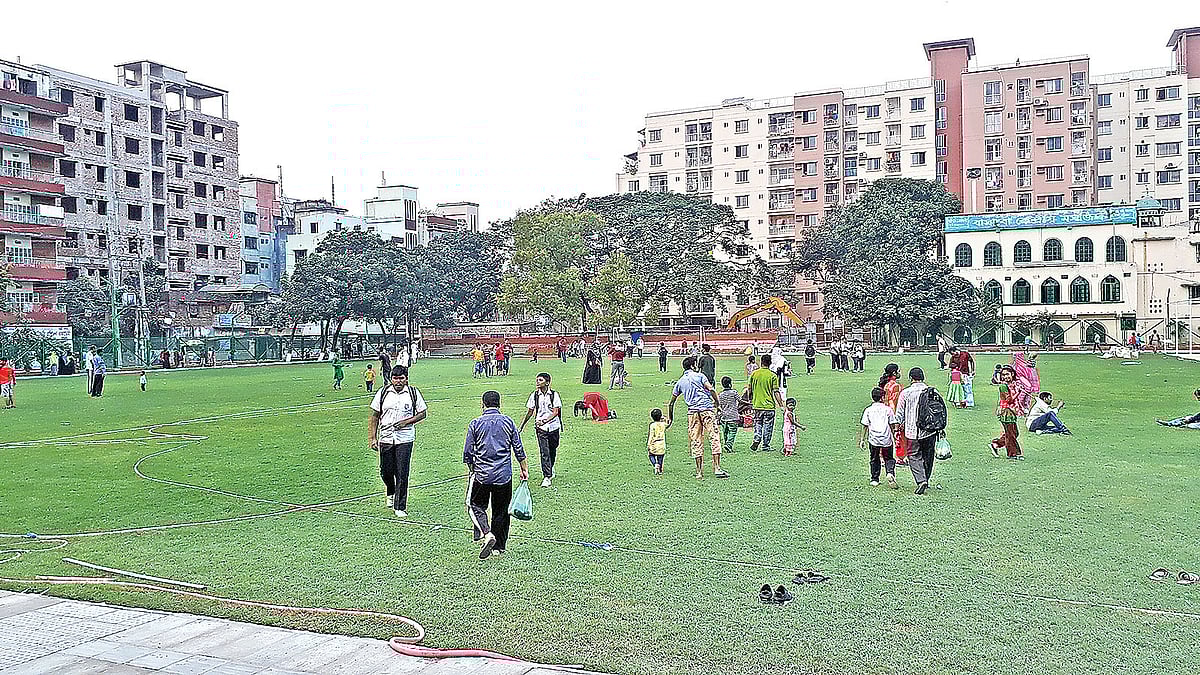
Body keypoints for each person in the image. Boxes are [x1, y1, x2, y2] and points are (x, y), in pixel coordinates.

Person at [463, 390, 528, 559]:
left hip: (482, 475)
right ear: (499, 404)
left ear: (482, 404)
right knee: (501, 511)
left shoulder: (475, 423)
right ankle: (498, 547)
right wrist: (524, 468)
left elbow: (468, 451)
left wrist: (472, 468)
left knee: (475, 505)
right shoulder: (508, 422)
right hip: (503, 475)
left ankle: (486, 533)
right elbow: (518, 448)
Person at [369, 365, 429, 517]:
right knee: (386, 471)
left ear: (406, 379)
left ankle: (400, 506)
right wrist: (373, 438)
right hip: (386, 437)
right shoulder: (383, 393)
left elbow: (422, 413)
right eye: (395, 378)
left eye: (401, 378)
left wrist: (406, 422)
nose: (398, 381)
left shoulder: (413, 393)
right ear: (391, 379)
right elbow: (375, 416)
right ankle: (391, 491)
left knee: (402, 472)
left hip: (405, 438)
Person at [668, 356, 728, 479]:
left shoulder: (680, 381)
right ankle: (717, 468)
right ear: (692, 365)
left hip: (692, 413)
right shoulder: (700, 376)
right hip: (707, 410)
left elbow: (671, 402)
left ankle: (699, 472)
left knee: (696, 440)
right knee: (714, 437)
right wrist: (717, 404)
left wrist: (671, 418)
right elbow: (711, 389)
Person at [895, 367, 938, 494]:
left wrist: (897, 429)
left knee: (913, 455)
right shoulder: (932, 391)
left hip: (912, 430)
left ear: (911, 378)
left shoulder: (906, 393)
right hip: (930, 430)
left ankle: (921, 480)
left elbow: (899, 414)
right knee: (928, 456)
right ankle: (926, 479)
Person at [519, 372, 563, 488]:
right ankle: (547, 477)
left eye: (540, 380)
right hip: (541, 428)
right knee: (544, 451)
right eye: (537, 380)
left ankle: (550, 468)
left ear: (547, 382)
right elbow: (530, 411)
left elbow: (556, 412)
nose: (537, 382)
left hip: (553, 427)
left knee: (552, 449)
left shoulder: (554, 395)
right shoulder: (534, 396)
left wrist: (545, 420)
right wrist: (522, 425)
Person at [860, 386, 899, 489]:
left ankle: (874, 479)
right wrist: (894, 437)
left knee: (874, 458)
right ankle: (890, 472)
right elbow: (892, 424)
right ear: (882, 397)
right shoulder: (888, 410)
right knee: (889, 458)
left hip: (873, 439)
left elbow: (865, 426)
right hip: (886, 438)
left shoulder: (868, 410)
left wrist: (862, 440)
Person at [749, 354, 785, 452]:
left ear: (761, 362)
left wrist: (751, 401)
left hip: (757, 405)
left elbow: (750, 389)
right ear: (770, 363)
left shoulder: (754, 374)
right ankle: (765, 445)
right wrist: (781, 405)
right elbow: (776, 391)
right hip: (769, 406)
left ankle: (757, 437)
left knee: (758, 423)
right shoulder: (772, 375)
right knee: (768, 426)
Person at [990, 366, 1024, 460]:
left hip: (1012, 411)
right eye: (1003, 375)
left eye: (1007, 374)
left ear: (1012, 374)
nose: (1005, 377)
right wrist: (1018, 392)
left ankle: (996, 444)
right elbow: (1009, 400)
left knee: (1014, 433)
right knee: (1011, 434)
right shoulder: (1003, 386)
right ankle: (1013, 454)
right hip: (1006, 412)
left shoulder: (1012, 385)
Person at [880, 363, 907, 465]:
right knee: (898, 436)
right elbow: (894, 403)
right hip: (893, 414)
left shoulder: (886, 385)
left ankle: (883, 457)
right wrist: (897, 419)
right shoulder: (896, 386)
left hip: (884, 413)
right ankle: (899, 457)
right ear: (894, 373)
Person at [717, 376, 741, 455]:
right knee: (732, 432)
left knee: (725, 432)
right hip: (733, 416)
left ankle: (726, 444)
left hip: (724, 417)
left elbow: (718, 406)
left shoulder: (720, 395)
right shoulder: (734, 393)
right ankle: (728, 445)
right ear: (730, 384)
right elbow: (740, 400)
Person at [647, 408, 667, 475]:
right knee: (660, 458)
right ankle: (660, 470)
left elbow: (651, 436)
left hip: (654, 445)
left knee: (651, 455)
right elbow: (668, 422)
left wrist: (649, 444)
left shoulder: (652, 425)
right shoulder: (663, 424)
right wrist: (664, 418)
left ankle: (655, 464)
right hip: (662, 445)